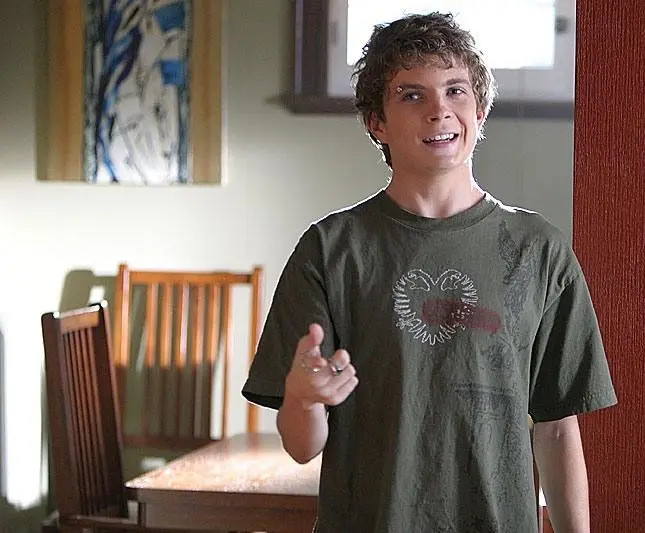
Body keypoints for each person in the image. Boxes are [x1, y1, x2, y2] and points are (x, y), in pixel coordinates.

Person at [242, 11, 617, 533]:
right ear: (376, 122)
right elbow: (302, 447)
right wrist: (304, 398)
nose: (439, 110)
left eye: (455, 91)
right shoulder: (330, 251)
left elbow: (556, 429)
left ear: (480, 110)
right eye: (412, 95)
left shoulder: (540, 251)